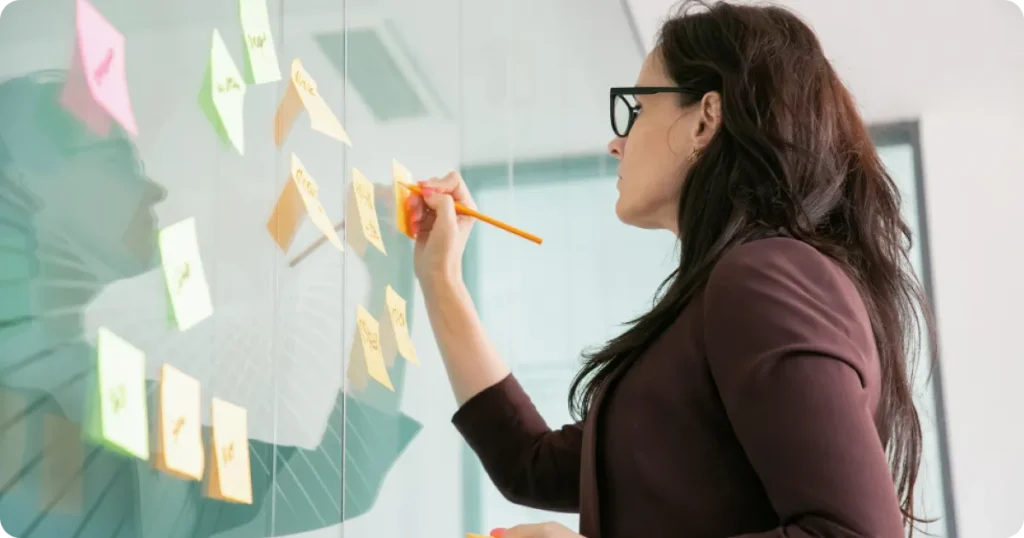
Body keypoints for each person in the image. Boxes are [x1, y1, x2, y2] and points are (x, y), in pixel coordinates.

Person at [407, 2, 933, 537]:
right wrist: (441, 280)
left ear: (705, 119)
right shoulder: (736, 288)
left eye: (635, 110)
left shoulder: (766, 275)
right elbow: (533, 466)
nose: (617, 142)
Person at [0, 69, 421, 537]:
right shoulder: (40, 385)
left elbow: (330, 479)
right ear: (26, 184)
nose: (154, 191)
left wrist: (390, 258)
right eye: (119, 162)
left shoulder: (121, 366)